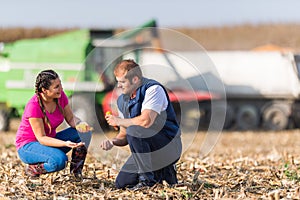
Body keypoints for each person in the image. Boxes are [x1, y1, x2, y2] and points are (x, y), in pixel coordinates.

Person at [100, 59, 182, 190]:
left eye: (122, 82)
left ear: (135, 80)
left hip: (168, 146)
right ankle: (162, 173)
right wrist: (113, 141)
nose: (119, 86)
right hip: (147, 150)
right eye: (117, 82)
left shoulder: (154, 90)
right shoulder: (122, 100)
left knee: (134, 130)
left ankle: (147, 182)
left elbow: (145, 121)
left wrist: (118, 121)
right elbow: (124, 134)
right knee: (122, 183)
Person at [15, 69, 92, 180]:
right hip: (28, 146)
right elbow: (41, 138)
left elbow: (70, 118)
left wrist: (81, 125)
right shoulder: (34, 106)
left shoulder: (60, 97)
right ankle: (33, 168)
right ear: (44, 90)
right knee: (60, 161)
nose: (61, 89)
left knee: (84, 133)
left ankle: (76, 173)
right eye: (56, 87)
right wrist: (65, 143)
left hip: (49, 140)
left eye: (60, 84)